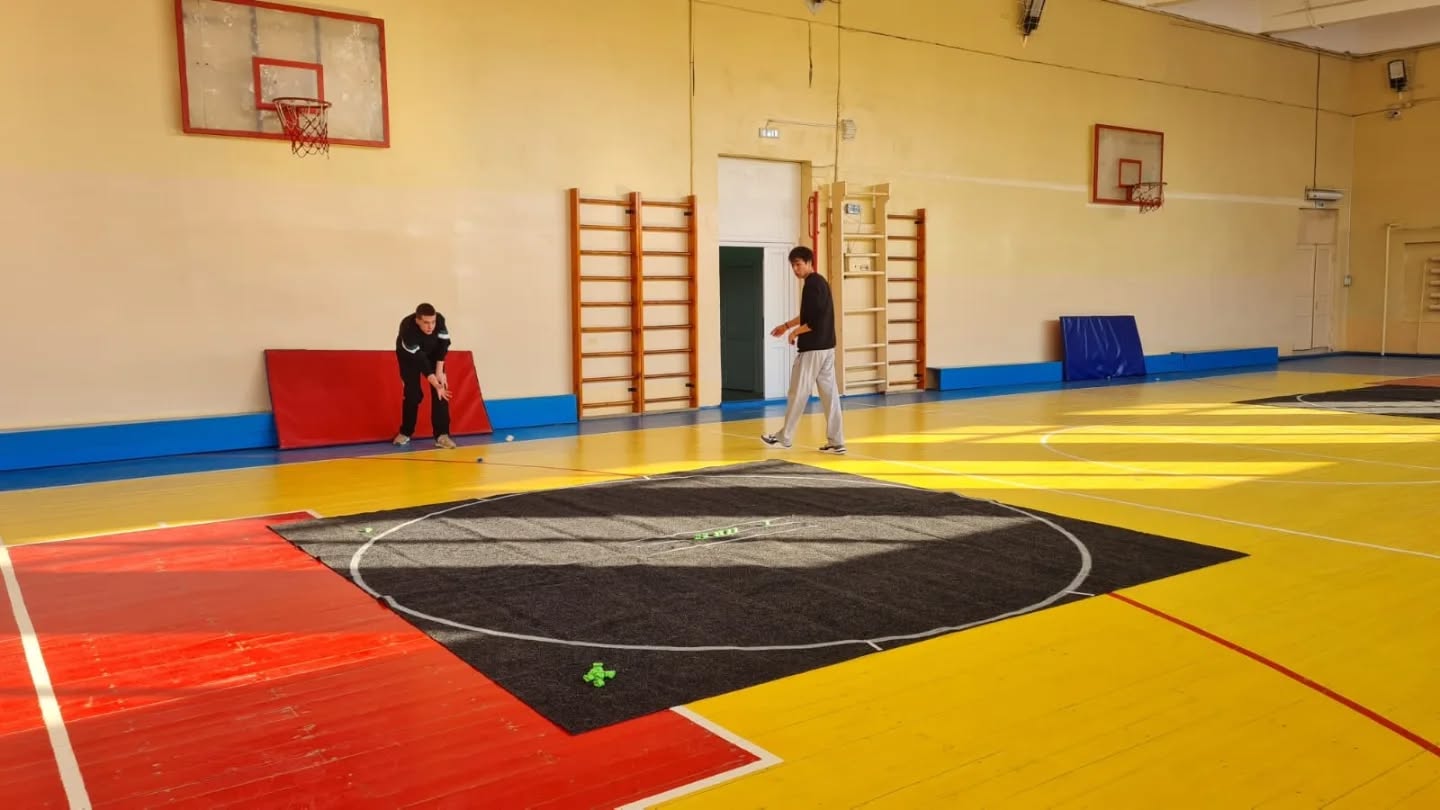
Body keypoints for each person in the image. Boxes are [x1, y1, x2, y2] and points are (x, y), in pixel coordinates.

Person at [762, 246, 845, 454]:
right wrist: (786, 326)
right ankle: (837, 441)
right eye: (793, 265)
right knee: (830, 396)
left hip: (813, 349)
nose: (795, 269)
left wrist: (795, 333)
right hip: (827, 348)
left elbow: (813, 322)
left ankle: (785, 436)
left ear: (809, 263)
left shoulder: (811, 285)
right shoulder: (819, 283)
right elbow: (809, 315)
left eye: (798, 264)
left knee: (797, 393)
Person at [394, 303, 457, 449]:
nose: (431, 326)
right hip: (410, 358)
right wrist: (435, 382)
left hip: (433, 353)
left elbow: (443, 345)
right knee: (413, 394)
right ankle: (405, 432)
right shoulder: (407, 329)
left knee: (441, 392)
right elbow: (420, 360)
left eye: (433, 322)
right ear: (417, 320)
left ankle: (442, 435)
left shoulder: (440, 320)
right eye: (426, 323)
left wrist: (440, 373)